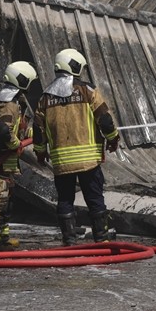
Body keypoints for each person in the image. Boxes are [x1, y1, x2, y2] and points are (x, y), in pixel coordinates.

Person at [33, 48, 121, 245]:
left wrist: (40, 152)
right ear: (75, 66)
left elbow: (38, 130)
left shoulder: (45, 97)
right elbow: (105, 120)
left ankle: (69, 242)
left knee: (65, 200)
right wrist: (113, 138)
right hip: (88, 160)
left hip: (62, 163)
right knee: (95, 199)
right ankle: (101, 239)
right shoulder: (87, 91)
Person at [0, 61, 36, 251]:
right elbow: (4, 130)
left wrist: (33, 135)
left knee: (6, 203)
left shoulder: (12, 102)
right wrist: (15, 144)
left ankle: (2, 238)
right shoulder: (7, 103)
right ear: (22, 80)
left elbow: (17, 129)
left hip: (6, 164)